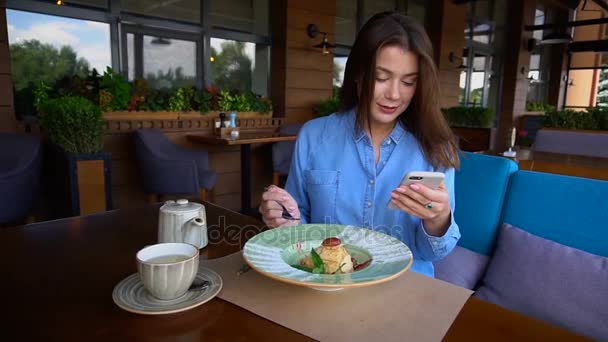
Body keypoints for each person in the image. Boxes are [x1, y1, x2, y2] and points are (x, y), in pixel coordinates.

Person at [259, 12, 460, 277]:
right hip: (329, 286)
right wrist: (285, 220)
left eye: (408, 82)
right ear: (358, 74)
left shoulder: (436, 148)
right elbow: (298, 226)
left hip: (406, 287)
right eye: (381, 77)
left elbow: (432, 252)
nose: (394, 94)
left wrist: (438, 220)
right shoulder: (314, 136)